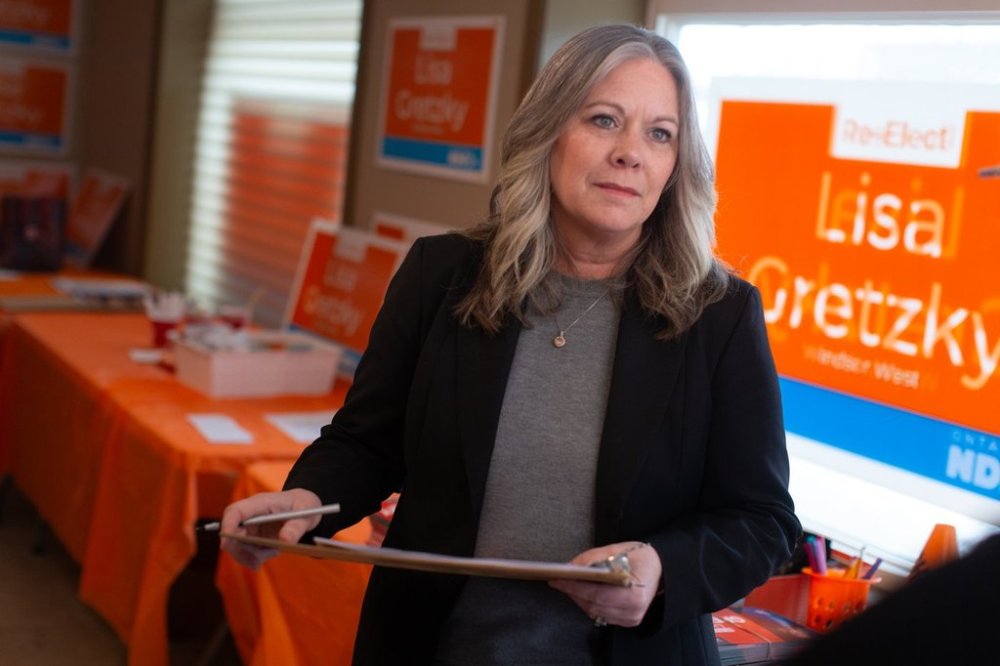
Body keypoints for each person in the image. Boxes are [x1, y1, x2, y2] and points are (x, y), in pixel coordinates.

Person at [220, 23, 800, 665]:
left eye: (660, 134)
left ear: (675, 166)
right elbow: (366, 442)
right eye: (604, 120)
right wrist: (305, 500)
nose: (630, 153)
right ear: (549, 132)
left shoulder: (719, 314)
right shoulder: (441, 275)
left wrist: (664, 568)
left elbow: (763, 520)